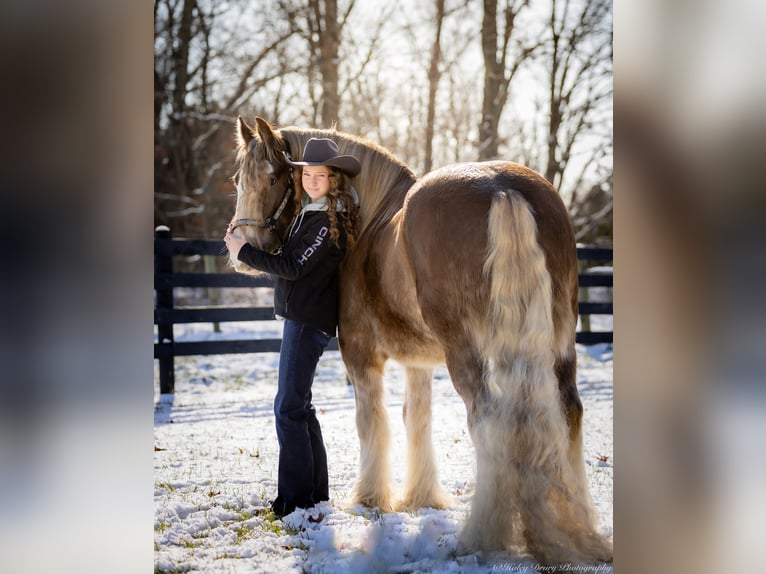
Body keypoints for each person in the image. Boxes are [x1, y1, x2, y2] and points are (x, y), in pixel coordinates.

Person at [224, 138, 361, 518]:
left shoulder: (326, 220)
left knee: (287, 408)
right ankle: (313, 495)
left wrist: (243, 253)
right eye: (306, 173)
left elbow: (294, 265)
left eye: (320, 174)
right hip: (300, 319)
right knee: (301, 407)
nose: (312, 179)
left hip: (308, 323)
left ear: (333, 179)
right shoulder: (309, 213)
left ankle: (295, 501)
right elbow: (288, 258)